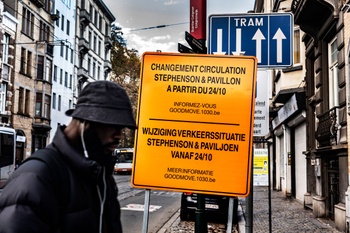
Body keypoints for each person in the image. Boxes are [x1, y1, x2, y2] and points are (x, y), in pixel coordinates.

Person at [0, 81, 137, 233]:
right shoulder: (37, 177)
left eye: (122, 128)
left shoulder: (100, 174)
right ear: (85, 123)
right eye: (113, 126)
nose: (118, 136)